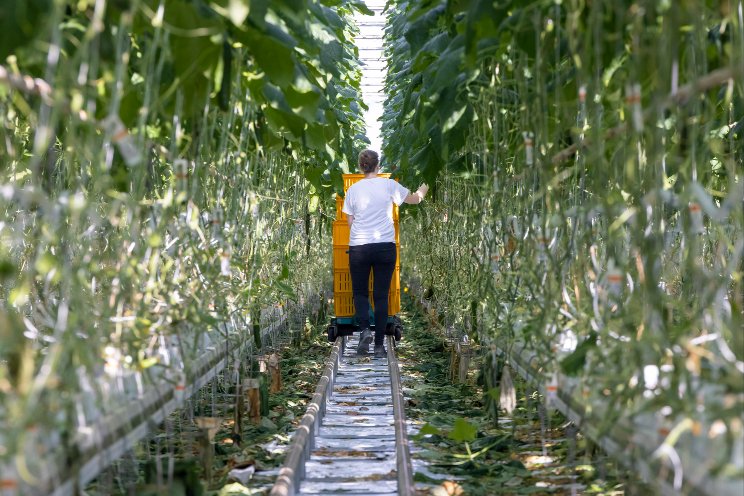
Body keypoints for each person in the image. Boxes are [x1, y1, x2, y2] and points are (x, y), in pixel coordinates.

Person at [342, 149, 428, 357]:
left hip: (359, 247)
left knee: (360, 293)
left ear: (361, 166)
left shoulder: (353, 190)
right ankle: (379, 346)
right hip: (384, 247)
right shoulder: (389, 185)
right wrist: (426, 183)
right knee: (381, 296)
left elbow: (350, 221)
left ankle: (364, 332)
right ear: (378, 165)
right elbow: (415, 199)